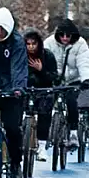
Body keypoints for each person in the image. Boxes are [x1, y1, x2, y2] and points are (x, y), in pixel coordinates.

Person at [0, 7, 27, 178]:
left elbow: (18, 67)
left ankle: (16, 163)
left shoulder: (17, 43)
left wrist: (17, 88)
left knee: (12, 128)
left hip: (11, 90)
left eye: (0, 28)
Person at [44, 18, 89, 150]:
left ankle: (73, 133)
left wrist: (86, 79)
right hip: (55, 79)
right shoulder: (49, 43)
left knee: (72, 102)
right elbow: (42, 60)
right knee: (46, 103)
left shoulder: (80, 44)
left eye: (68, 35)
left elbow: (84, 62)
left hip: (73, 80)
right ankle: (44, 133)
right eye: (62, 35)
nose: (65, 38)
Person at [24, 27, 59, 162]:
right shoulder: (21, 56)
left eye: (34, 43)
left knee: (45, 114)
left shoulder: (47, 55)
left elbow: (54, 77)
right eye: (28, 44)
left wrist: (41, 70)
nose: (31, 47)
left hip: (44, 90)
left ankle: (42, 147)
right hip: (26, 90)